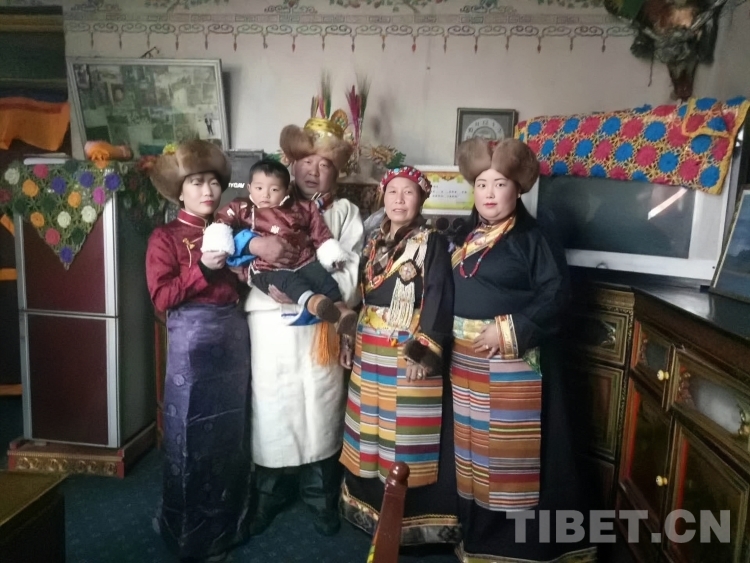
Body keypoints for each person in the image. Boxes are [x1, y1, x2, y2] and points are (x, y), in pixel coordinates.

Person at [450, 137, 596, 563]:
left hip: (515, 363)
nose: (489, 194)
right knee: (473, 450)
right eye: (481, 184)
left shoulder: (535, 237)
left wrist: (510, 330)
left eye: (499, 184)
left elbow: (557, 296)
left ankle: (516, 547)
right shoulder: (464, 233)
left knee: (510, 456)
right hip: (466, 363)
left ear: (518, 189)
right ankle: (476, 538)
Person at [240, 117, 364, 537]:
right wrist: (257, 257)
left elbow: (351, 269)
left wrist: (317, 299)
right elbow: (236, 253)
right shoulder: (258, 208)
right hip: (269, 319)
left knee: (320, 402)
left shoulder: (345, 212)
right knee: (273, 402)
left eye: (325, 164)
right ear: (290, 165)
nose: (314, 170)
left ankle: (319, 495)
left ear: (337, 171)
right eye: (307, 161)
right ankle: (269, 493)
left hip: (321, 324)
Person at [339, 166, 460, 547]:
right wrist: (348, 337)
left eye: (409, 193)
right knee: (370, 423)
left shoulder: (431, 241)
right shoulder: (374, 239)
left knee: (404, 431)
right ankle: (368, 507)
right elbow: (359, 295)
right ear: (383, 196)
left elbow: (438, 296)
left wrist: (423, 353)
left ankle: (409, 521)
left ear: (421, 199)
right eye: (393, 192)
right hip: (368, 340)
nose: (399, 200)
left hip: (406, 345)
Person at [145, 140, 252, 562]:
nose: (207, 190)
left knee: (231, 434)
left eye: (213, 182)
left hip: (234, 337)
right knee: (188, 437)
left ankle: (229, 526)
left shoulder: (233, 232)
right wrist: (203, 268)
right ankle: (189, 535)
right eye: (196, 182)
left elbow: (244, 285)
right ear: (179, 190)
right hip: (192, 342)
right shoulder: (165, 237)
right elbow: (162, 298)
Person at [204, 159, 357, 335]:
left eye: (324, 165)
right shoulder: (244, 208)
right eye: (307, 162)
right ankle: (314, 302)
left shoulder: (317, 208)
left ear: (285, 190)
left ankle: (340, 310)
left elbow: (321, 234)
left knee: (321, 276)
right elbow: (224, 229)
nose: (265, 195)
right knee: (286, 281)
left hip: (304, 262)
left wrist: (330, 253)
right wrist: (248, 245)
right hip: (267, 283)